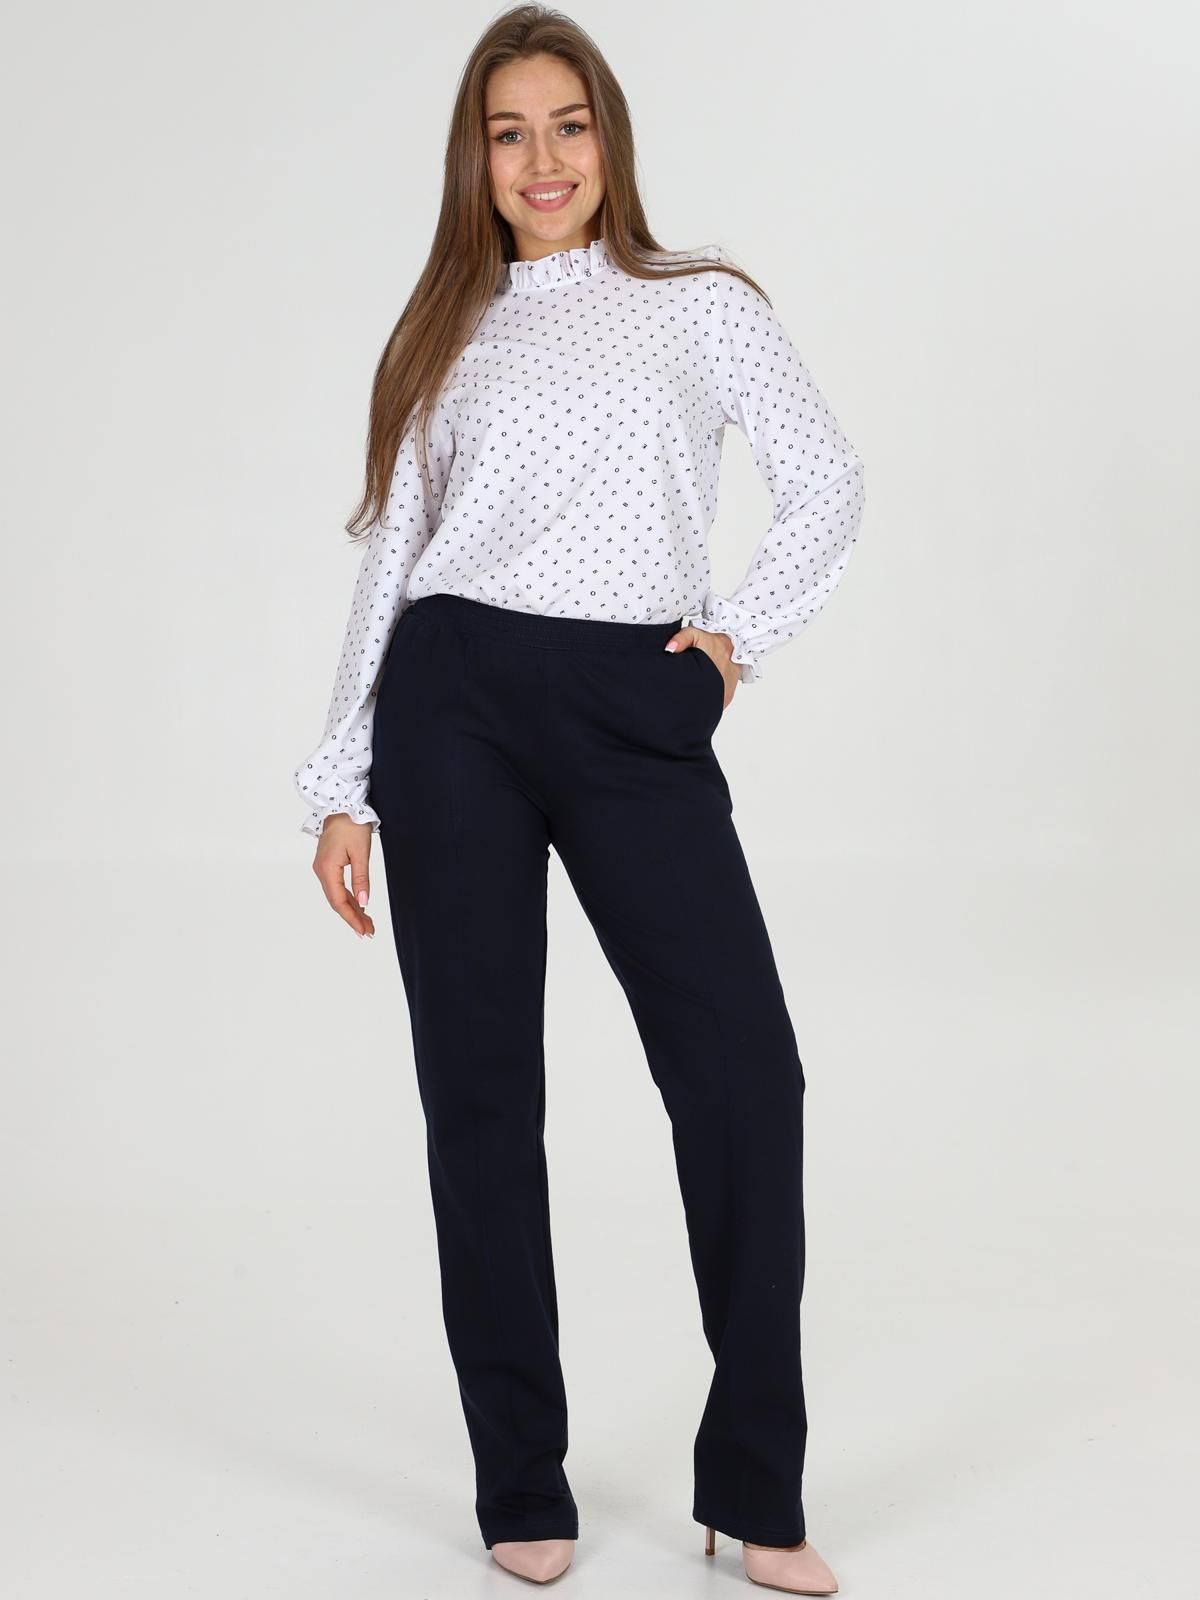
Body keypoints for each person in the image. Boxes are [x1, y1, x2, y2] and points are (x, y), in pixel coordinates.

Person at [293, 6, 864, 1592]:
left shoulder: (698, 303)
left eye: (567, 124)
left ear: (608, 137)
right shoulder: (444, 334)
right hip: (454, 703)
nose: (541, 160)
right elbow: (395, 565)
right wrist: (342, 781)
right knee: (480, 1093)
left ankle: (755, 1488)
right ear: (474, 162)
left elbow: (827, 479)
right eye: (507, 133)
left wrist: (731, 648)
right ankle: (518, 1477)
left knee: (745, 1078)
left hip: (630, 703)